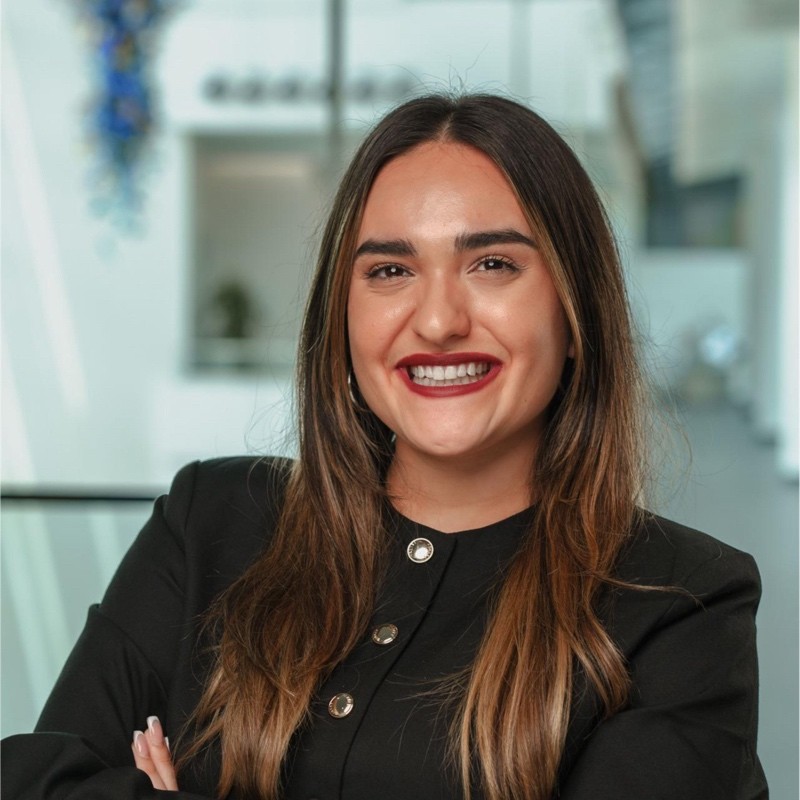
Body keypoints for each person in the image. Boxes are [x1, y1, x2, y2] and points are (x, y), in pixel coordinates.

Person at [2, 94, 767, 800]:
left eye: (492, 263)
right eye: (391, 270)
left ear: (575, 312)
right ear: (343, 319)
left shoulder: (682, 605)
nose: (437, 321)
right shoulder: (208, 522)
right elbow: (33, 775)